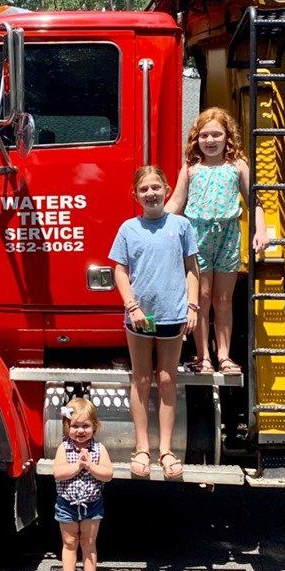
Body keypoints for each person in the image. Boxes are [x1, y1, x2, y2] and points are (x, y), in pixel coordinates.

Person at [109, 166, 200, 480]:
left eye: (155, 188)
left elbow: (192, 268)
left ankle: (166, 450)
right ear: (135, 195)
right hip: (141, 318)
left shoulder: (181, 225)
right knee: (142, 379)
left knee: (166, 380)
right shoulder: (128, 229)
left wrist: (193, 307)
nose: (150, 194)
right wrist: (131, 306)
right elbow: (119, 271)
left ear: (167, 188)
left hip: (173, 316)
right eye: (144, 189)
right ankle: (141, 449)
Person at [166, 107, 269, 374]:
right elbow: (177, 201)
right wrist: (153, 222)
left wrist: (261, 229)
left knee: (223, 298)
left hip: (228, 235)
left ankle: (224, 355)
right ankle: (203, 356)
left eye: (216, 135)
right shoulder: (191, 168)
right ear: (196, 138)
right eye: (204, 135)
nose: (210, 140)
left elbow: (254, 200)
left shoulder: (238, 166)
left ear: (227, 137)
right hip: (197, 236)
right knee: (201, 296)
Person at [53, 397, 113, 571]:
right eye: (75, 425)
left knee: (88, 543)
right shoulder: (64, 449)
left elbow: (107, 474)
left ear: (94, 427)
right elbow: (58, 473)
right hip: (67, 505)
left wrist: (91, 467)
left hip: (92, 504)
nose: (80, 431)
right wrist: (77, 466)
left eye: (85, 426)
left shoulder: (99, 449)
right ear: (66, 426)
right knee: (69, 543)